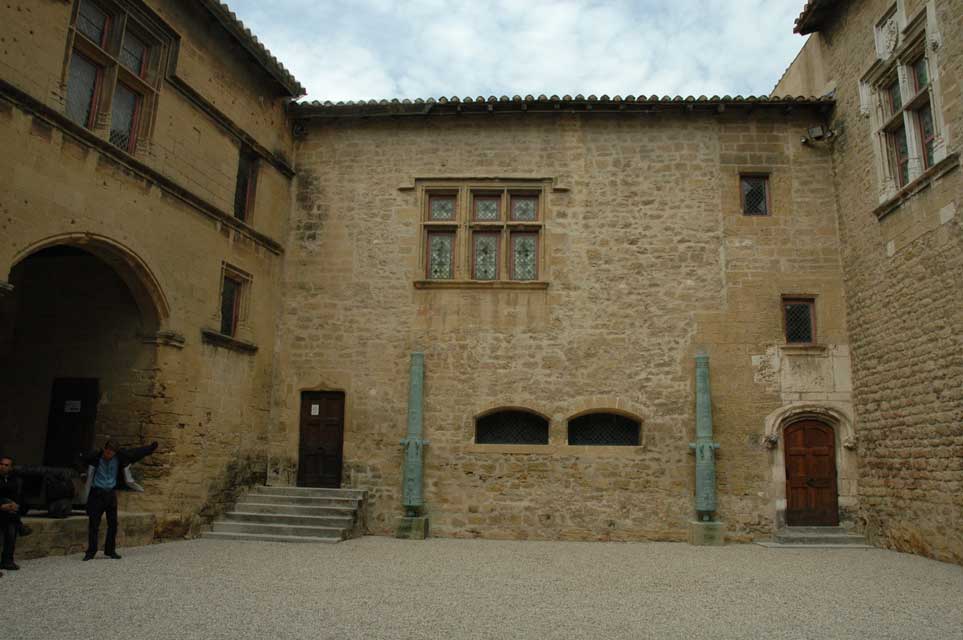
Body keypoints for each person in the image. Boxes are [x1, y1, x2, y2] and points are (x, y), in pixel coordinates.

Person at [81, 440, 158, 561]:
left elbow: (136, 453)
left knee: (113, 524)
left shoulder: (120, 458)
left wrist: (151, 448)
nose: (108, 455)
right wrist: (82, 474)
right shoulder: (95, 457)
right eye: (107, 452)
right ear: (104, 450)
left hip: (110, 495)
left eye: (111, 454)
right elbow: (79, 459)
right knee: (94, 524)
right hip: (97, 494)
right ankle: (91, 551)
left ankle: (110, 550)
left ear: (115, 453)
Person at [0, 454, 30, 572]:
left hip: (10, 513)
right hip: (1, 510)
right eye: (1, 464)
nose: (2, 467)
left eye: (6, 465)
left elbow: (19, 497)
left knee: (11, 535)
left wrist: (15, 506)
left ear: (11, 468)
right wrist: (2, 506)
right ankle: (20, 524)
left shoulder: (15, 480)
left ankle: (7, 561)